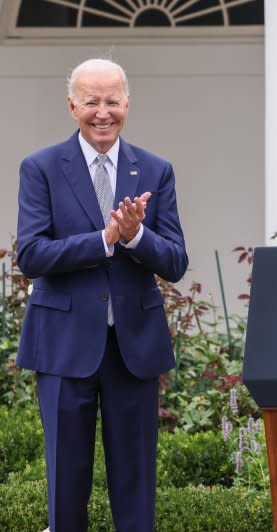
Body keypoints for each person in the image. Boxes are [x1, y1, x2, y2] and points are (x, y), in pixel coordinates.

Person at [16, 58, 188, 530]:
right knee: (66, 481)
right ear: (72, 106)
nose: (103, 112)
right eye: (91, 101)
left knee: (135, 483)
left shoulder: (154, 169)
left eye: (113, 101)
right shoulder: (42, 168)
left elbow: (175, 260)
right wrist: (104, 239)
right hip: (63, 343)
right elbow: (30, 253)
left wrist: (135, 237)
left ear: (127, 103)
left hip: (133, 345)